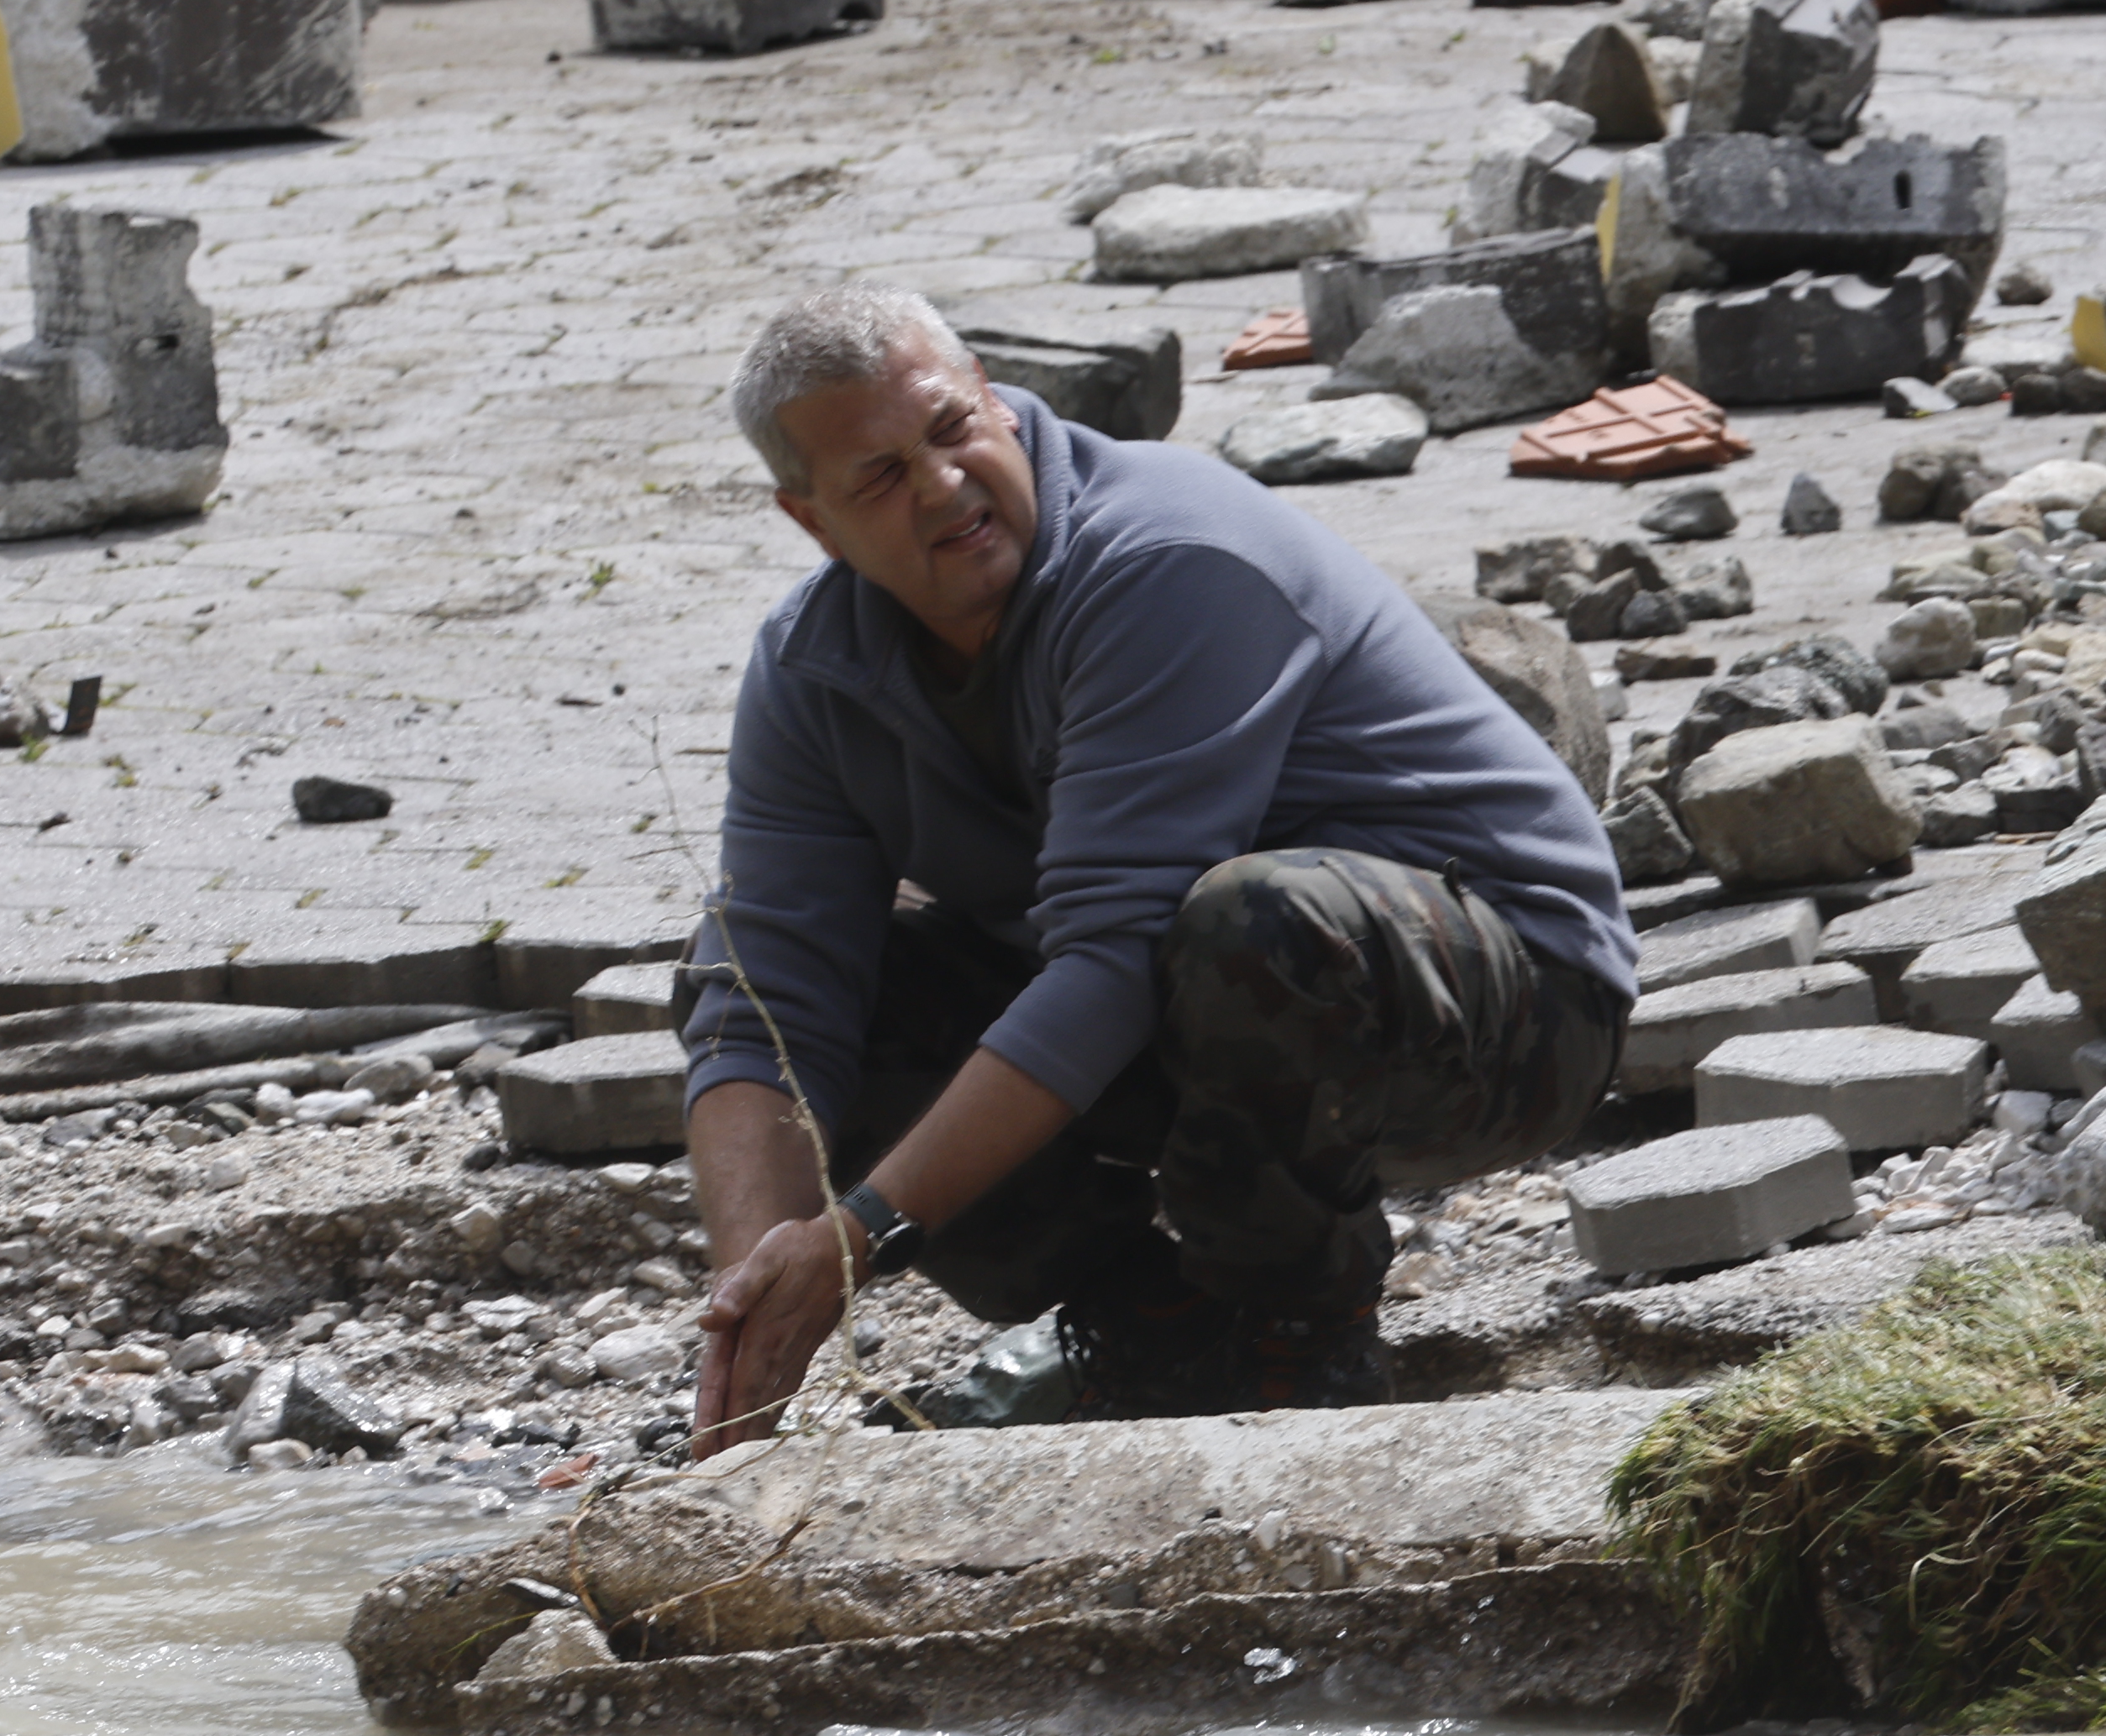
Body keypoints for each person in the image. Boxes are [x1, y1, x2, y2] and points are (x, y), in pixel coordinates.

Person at [677, 284, 1633, 1446]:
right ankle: (1155, 1332)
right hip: (1178, 1023)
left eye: (951, 430)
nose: (940, 487)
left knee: (1251, 924)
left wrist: (863, 1234)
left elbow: (1115, 957)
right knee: (791, 967)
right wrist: (757, 1312)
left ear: (1000, 405)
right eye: (879, 477)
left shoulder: (1164, 554)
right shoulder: (812, 667)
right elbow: (768, 1002)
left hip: (1509, 1005)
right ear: (813, 523)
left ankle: (1302, 1350)